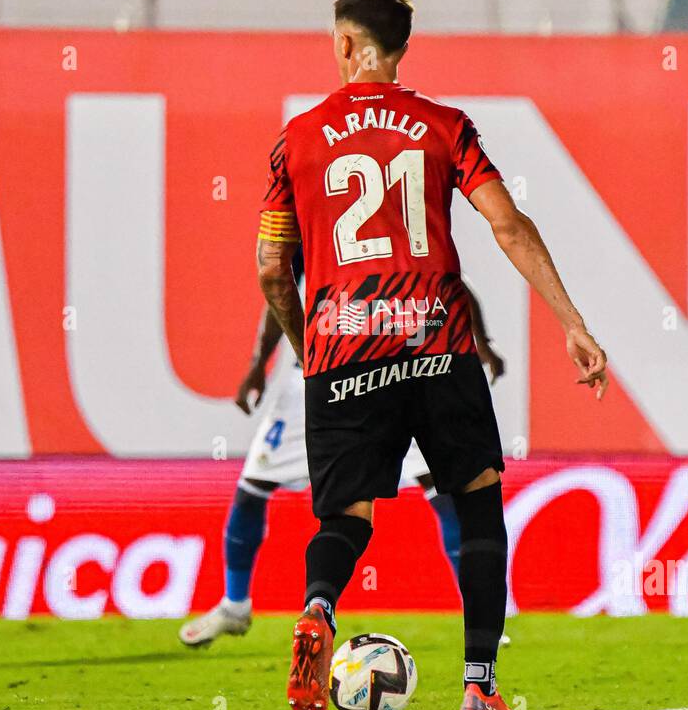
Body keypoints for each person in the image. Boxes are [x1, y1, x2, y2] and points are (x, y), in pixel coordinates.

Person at [256, 0, 607, 710]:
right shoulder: (444, 127)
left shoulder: (297, 138)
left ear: (349, 45)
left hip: (342, 351)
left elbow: (269, 269)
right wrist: (572, 323)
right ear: (401, 48)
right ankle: (479, 686)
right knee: (477, 505)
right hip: (438, 349)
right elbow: (507, 225)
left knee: (346, 520)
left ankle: (319, 609)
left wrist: (304, 347)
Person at [177, 250, 506, 647]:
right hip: (343, 375)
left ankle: (479, 611)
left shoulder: (342, 209)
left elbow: (453, 281)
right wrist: (260, 363)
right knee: (255, 487)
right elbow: (280, 284)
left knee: (437, 491)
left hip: (392, 371)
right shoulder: (324, 217)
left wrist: (479, 341)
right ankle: (235, 604)